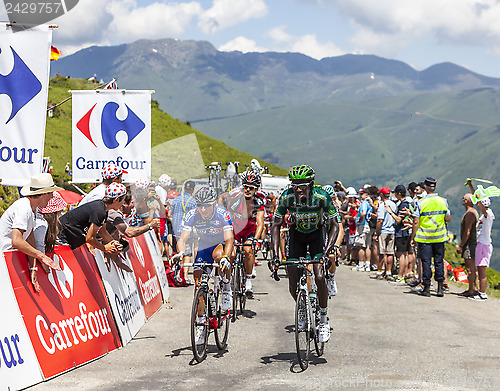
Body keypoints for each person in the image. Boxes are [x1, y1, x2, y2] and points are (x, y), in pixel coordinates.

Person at [270, 165, 339, 343]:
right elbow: (276, 226)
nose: (298, 190)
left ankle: (323, 320)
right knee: (292, 281)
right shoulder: (286, 197)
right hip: (297, 236)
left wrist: (326, 251)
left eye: (302, 186)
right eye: (295, 185)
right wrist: (275, 256)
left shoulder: (321, 196)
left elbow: (335, 225)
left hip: (317, 234)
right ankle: (301, 307)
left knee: (318, 275)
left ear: (311, 185)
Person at [176, 186, 234, 344]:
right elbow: (183, 238)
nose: (203, 209)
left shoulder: (222, 213)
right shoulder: (192, 214)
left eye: (206, 205)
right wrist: (181, 253)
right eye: (200, 205)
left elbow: (230, 239)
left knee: (220, 256)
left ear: (214, 203)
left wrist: (226, 257)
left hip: (220, 245)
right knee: (198, 284)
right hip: (203, 247)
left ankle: (227, 287)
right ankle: (201, 323)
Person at [0, 173, 62, 292]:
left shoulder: (32, 208)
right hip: (3, 258)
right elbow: (17, 241)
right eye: (51, 193)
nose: (52, 197)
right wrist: (41, 256)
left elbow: (30, 238)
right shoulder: (24, 208)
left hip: (8, 257)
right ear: (44, 193)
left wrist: (33, 268)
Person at [222, 170, 265, 297]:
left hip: (249, 230)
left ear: (256, 188)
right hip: (236, 230)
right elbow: (227, 219)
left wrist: (256, 240)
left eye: (251, 187)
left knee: (248, 250)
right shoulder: (235, 200)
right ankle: (227, 285)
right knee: (231, 254)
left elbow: (260, 224)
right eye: (245, 186)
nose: (247, 189)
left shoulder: (258, 202)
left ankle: (248, 280)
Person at [410, 177, 451, 297]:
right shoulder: (443, 201)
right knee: (439, 261)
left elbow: (416, 222)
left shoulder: (421, 202)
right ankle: (439, 288)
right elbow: (448, 218)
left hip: (425, 238)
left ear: (425, 188)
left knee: (426, 262)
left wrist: (413, 238)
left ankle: (426, 288)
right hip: (439, 237)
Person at [58, 183, 125, 255]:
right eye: (123, 200)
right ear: (116, 199)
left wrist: (114, 242)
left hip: (66, 235)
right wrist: (104, 248)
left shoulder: (103, 208)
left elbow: (102, 231)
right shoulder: (100, 210)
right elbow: (89, 238)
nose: (123, 203)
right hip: (61, 235)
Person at [467, 179, 495, 301]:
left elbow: (481, 204)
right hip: (482, 244)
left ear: (483, 204)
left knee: (481, 271)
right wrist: (471, 187)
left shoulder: (488, 214)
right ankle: (481, 292)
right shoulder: (484, 214)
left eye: (479, 203)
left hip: (484, 245)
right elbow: (478, 198)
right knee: (479, 269)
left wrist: (478, 195)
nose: (476, 205)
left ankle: (483, 294)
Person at [169, 180, 197, 284]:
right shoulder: (193, 201)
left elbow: (170, 214)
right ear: (192, 189)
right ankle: (185, 276)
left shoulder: (176, 200)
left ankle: (177, 274)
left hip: (176, 231)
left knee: (177, 253)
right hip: (187, 231)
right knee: (187, 254)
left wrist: (174, 223)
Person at [385, 185, 412, 283]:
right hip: (404, 232)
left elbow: (399, 219)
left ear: (399, 194)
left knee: (401, 255)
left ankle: (401, 275)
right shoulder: (405, 203)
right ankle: (403, 275)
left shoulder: (403, 204)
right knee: (404, 254)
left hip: (401, 233)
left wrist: (390, 212)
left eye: (396, 193)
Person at [457, 192, 479, 297]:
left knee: (470, 267)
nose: (463, 200)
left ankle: (471, 290)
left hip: (469, 244)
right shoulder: (473, 212)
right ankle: (476, 288)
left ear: (467, 201)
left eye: (464, 198)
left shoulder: (470, 214)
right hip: (472, 243)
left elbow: (467, 231)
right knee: (473, 266)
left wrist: (461, 245)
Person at [375, 187, 396, 280]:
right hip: (392, 230)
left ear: (382, 195)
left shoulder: (382, 205)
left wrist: (377, 232)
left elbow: (380, 220)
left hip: (383, 231)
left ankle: (380, 271)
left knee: (382, 252)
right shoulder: (394, 205)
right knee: (390, 252)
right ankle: (389, 272)